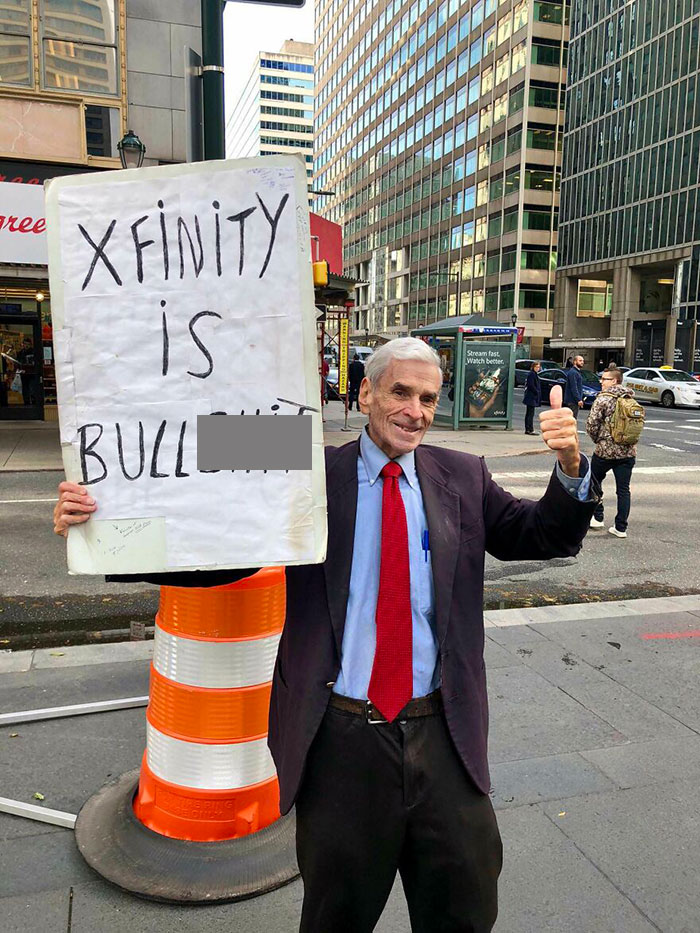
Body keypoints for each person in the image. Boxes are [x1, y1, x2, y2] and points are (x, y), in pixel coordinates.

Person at [54, 337, 598, 933]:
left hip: (445, 732)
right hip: (342, 739)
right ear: (365, 392)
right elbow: (216, 548)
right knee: (336, 914)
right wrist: (102, 528)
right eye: (400, 392)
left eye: (427, 398)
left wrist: (571, 468)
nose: (415, 411)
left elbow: (540, 536)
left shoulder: (463, 476)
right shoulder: (311, 475)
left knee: (466, 907)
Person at [586, 367, 637, 538]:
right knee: (623, 490)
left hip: (605, 452)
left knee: (593, 482)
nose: (601, 381)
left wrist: (598, 440)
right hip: (628, 452)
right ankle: (621, 527)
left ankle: (597, 516)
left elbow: (591, 424)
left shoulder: (603, 399)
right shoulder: (631, 398)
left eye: (605, 379)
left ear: (614, 381)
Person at [523, 361, 541, 434]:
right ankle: (529, 429)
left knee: (530, 413)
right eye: (536, 367)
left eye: (539, 367)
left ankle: (529, 428)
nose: (537, 368)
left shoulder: (534, 374)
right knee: (530, 413)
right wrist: (536, 391)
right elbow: (531, 385)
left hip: (531, 396)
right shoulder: (532, 374)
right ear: (533, 367)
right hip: (531, 396)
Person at [564, 354, 585, 418]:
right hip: (572, 401)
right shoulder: (573, 372)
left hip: (573, 401)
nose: (582, 362)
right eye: (580, 360)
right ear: (575, 362)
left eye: (583, 361)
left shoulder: (576, 372)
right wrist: (578, 399)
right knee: (572, 420)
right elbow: (574, 387)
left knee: (572, 419)